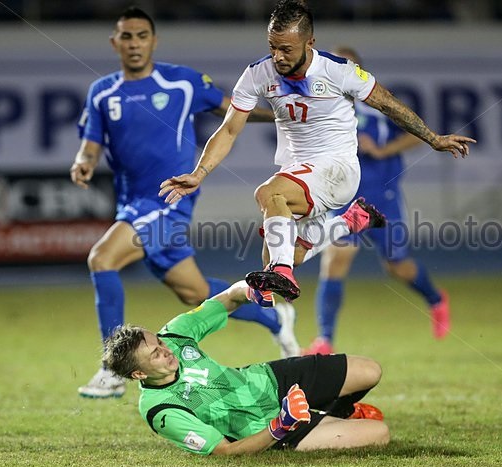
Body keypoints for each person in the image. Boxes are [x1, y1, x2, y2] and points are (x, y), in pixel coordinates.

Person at [159, 0, 475, 305]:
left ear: (310, 42)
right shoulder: (259, 73)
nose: (278, 57)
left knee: (268, 194)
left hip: (337, 169)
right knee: (282, 253)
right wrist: (200, 173)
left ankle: (281, 273)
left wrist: (433, 138)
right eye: (272, 47)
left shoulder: (339, 71)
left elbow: (388, 103)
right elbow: (229, 129)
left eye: (286, 49)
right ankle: (350, 221)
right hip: (299, 173)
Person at [70, 7, 299, 399]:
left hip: (168, 199)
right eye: (127, 36)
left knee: (101, 259)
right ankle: (276, 317)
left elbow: (234, 109)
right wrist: (83, 162)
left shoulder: (181, 82)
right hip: (131, 205)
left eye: (142, 35)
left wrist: (285, 117)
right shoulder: (102, 92)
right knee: (195, 294)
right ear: (115, 43)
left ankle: (112, 370)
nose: (135, 43)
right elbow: (91, 144)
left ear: (153, 41)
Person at [102, 280, 390, 454]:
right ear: (138, 374)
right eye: (155, 354)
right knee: (379, 434)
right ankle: (322, 419)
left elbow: (228, 298)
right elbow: (225, 452)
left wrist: (250, 289)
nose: (165, 350)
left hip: (271, 380)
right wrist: (280, 426)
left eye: (159, 343)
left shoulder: (174, 335)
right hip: (265, 426)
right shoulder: (160, 410)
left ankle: (336, 412)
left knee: (370, 371)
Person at [304, 47, 450, 355]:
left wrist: (383, 150)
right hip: (345, 198)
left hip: (383, 196)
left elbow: (415, 133)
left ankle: (436, 300)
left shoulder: (376, 103)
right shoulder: (323, 108)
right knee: (335, 259)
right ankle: (325, 340)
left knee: (398, 266)